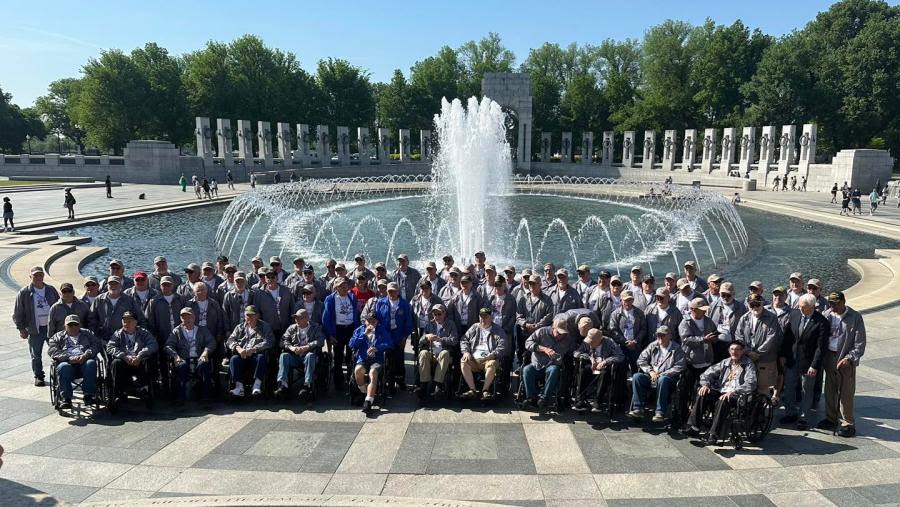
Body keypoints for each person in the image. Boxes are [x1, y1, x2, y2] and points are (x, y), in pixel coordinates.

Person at [685, 341, 757, 442]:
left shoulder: (748, 364)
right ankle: (694, 427)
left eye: (737, 350)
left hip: (737, 395)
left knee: (723, 400)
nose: (734, 352)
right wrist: (705, 384)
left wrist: (735, 391)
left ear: (742, 351)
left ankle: (714, 434)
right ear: (729, 351)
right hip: (721, 390)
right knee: (703, 393)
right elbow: (707, 374)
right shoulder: (725, 362)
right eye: (732, 349)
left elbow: (751, 383)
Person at [820, 291, 866, 437]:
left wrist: (849, 358)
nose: (832, 305)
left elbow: (860, 343)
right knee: (829, 389)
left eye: (834, 303)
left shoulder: (855, 317)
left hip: (845, 360)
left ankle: (848, 423)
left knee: (846, 393)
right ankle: (831, 418)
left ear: (843, 302)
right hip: (829, 356)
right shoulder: (826, 314)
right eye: (830, 303)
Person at [780, 293, 829, 430]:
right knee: (789, 387)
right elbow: (788, 336)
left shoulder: (822, 322)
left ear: (813, 307)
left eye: (804, 307)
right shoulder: (794, 315)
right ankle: (790, 413)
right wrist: (783, 354)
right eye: (800, 306)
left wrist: (814, 365)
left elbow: (821, 347)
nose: (801, 309)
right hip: (792, 359)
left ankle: (803, 418)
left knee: (806, 391)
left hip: (808, 363)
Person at [14, 266, 60, 386]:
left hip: (52, 328)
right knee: (36, 355)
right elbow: (18, 312)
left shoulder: (51, 290)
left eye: (40, 275)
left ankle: (59, 374)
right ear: (31, 277)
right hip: (35, 329)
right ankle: (39, 376)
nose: (38, 277)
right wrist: (21, 328)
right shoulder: (24, 292)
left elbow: (59, 306)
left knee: (58, 352)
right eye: (35, 275)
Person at [676, 297, 719, 427]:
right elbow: (686, 340)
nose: (704, 312)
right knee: (685, 390)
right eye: (701, 310)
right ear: (693, 310)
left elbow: (715, 334)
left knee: (703, 391)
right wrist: (703, 339)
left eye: (705, 310)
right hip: (690, 362)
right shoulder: (685, 322)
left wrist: (714, 338)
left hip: (706, 362)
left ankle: (699, 417)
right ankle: (683, 416)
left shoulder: (708, 321)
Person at [629, 326, 686, 422]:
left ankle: (660, 412)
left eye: (662, 335)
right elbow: (641, 360)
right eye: (658, 335)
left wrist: (662, 374)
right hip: (651, 376)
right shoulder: (653, 345)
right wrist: (650, 371)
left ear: (669, 336)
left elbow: (680, 366)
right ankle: (638, 409)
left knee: (662, 379)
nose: (660, 338)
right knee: (637, 377)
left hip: (668, 379)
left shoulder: (676, 349)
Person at [47, 315, 101, 408]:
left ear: (79, 325)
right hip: (68, 363)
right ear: (65, 326)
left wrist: (87, 354)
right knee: (63, 367)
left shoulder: (87, 333)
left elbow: (96, 344)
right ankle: (66, 399)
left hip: (84, 361)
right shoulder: (57, 337)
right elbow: (52, 351)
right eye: (70, 325)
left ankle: (88, 394)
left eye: (75, 325)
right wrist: (68, 358)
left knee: (91, 363)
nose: (73, 327)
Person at [106, 311, 157, 405]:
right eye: (124, 321)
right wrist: (124, 356)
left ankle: (145, 390)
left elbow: (153, 344)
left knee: (147, 361)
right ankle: (118, 393)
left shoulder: (143, 332)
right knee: (115, 363)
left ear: (136, 322)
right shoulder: (118, 334)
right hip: (125, 362)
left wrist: (140, 355)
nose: (126, 323)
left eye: (129, 321)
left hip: (139, 361)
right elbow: (110, 347)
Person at [166, 307, 215, 403]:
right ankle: (181, 397)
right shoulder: (177, 331)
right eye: (184, 317)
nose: (186, 319)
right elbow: (168, 346)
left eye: (189, 317)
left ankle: (205, 396)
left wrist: (205, 352)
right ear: (181, 318)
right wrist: (176, 356)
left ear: (194, 317)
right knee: (181, 366)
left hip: (199, 357)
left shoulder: (202, 330)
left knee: (203, 365)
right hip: (183, 358)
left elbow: (211, 342)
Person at [734, 294, 779, 395]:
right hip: (747, 358)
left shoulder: (772, 317)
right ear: (748, 305)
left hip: (765, 359)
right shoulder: (744, 318)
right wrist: (748, 352)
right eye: (752, 305)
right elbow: (738, 336)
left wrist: (757, 353)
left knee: (763, 388)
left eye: (757, 304)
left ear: (762, 304)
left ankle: (763, 409)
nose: (755, 307)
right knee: (747, 385)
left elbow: (771, 338)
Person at [522, 319, 572, 411]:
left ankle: (545, 399)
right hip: (537, 364)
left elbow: (574, 351)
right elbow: (527, 343)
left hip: (552, 365)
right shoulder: (542, 332)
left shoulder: (567, 339)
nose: (560, 336)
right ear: (553, 328)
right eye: (558, 333)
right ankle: (531, 398)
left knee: (554, 370)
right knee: (527, 369)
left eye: (563, 334)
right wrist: (543, 349)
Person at [226, 305, 275, 397]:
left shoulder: (265, 326)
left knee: (261, 358)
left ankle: (257, 386)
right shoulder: (239, 327)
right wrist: (238, 348)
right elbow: (230, 340)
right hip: (242, 355)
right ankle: (239, 387)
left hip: (256, 355)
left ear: (257, 316)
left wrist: (254, 349)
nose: (249, 317)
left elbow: (270, 341)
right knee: (234, 359)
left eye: (252, 315)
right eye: (247, 315)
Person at [275, 309, 324, 399]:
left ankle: (307, 384)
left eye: (299, 318)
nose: (296, 320)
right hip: (295, 356)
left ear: (307, 319)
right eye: (296, 318)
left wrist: (307, 347)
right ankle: (283, 384)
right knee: (283, 356)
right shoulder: (292, 328)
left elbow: (320, 341)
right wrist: (292, 348)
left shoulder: (315, 327)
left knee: (310, 356)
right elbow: (283, 340)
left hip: (308, 356)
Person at [459, 308, 507, 399]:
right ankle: (472, 390)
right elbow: (464, 339)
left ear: (491, 317)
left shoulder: (498, 330)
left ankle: (485, 390)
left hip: (489, 358)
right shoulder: (474, 327)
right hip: (474, 357)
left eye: (485, 316)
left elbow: (503, 346)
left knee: (492, 364)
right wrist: (465, 352)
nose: (483, 319)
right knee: (463, 361)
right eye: (481, 316)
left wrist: (493, 355)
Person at [573, 328, 625, 411]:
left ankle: (597, 402)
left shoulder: (609, 342)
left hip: (604, 368)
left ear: (600, 340)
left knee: (604, 374)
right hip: (591, 366)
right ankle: (580, 400)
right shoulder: (586, 343)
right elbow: (576, 353)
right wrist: (590, 358)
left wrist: (605, 362)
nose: (590, 344)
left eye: (592, 342)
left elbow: (620, 356)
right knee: (583, 371)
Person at [374, 282, 412, 391]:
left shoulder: (404, 304)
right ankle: (388, 381)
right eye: (390, 291)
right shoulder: (381, 303)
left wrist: (405, 337)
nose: (392, 293)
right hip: (385, 335)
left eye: (394, 291)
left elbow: (408, 322)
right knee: (387, 359)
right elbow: (378, 320)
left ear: (398, 291)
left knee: (399, 358)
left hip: (399, 335)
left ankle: (400, 381)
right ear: (387, 291)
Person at [322, 277, 359, 390]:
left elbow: (356, 314)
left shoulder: (352, 297)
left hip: (350, 329)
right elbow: (326, 318)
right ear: (336, 287)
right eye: (341, 286)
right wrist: (330, 335)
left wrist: (357, 331)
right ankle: (338, 382)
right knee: (337, 357)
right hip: (338, 330)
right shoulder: (330, 299)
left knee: (350, 356)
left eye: (345, 285)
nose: (344, 287)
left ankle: (350, 379)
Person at [350, 314, 391, 414]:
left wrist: (377, 348)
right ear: (365, 321)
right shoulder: (360, 330)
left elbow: (389, 343)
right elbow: (351, 344)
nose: (371, 323)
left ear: (377, 322)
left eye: (374, 321)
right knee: (358, 370)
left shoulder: (381, 330)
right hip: (363, 358)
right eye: (369, 321)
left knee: (373, 373)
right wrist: (364, 334)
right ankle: (364, 392)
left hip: (377, 359)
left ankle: (368, 401)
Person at [417, 303, 458, 398]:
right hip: (431, 351)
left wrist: (441, 339)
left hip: (444, 351)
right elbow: (420, 341)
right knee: (423, 353)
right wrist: (426, 337)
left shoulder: (451, 324)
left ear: (444, 314)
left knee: (444, 353)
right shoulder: (429, 324)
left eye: (439, 314)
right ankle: (424, 384)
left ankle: (437, 385)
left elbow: (454, 340)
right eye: (435, 314)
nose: (437, 316)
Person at [516, 274, 554, 368]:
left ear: (540, 285)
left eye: (534, 284)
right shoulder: (523, 299)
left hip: (539, 332)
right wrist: (526, 324)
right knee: (516, 328)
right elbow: (518, 315)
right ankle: (521, 363)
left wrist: (537, 326)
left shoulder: (547, 300)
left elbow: (549, 316)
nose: (531, 286)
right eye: (530, 283)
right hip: (525, 329)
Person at [606, 290, 648, 373]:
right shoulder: (615, 314)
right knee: (621, 369)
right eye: (625, 300)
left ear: (633, 300)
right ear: (621, 300)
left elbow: (643, 329)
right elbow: (613, 330)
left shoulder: (640, 313)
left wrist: (635, 341)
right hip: (621, 346)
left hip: (636, 346)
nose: (627, 302)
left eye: (630, 300)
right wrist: (625, 342)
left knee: (637, 368)